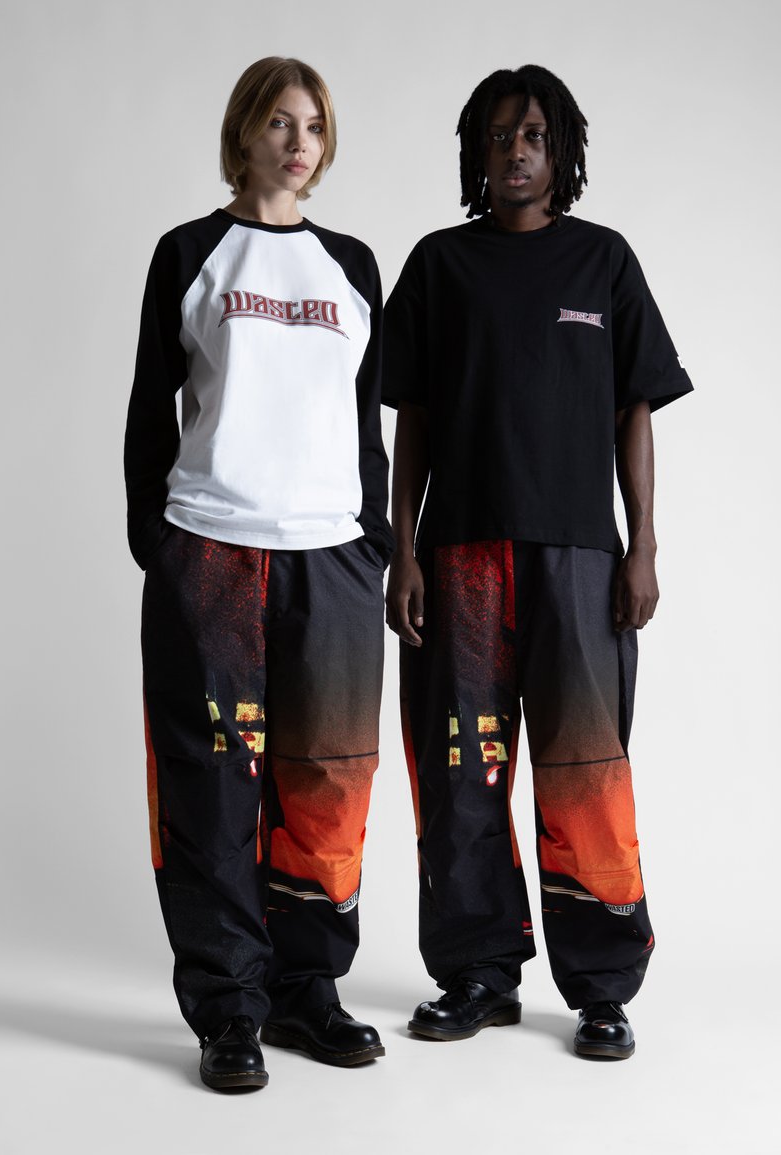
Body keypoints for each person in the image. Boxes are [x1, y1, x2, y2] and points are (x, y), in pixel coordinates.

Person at [382, 64, 692, 1060]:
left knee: (585, 773)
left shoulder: (603, 262)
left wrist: (642, 546)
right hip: (459, 557)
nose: (515, 152)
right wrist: (402, 550)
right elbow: (412, 420)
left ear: (561, 152)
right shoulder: (439, 264)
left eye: (533, 136)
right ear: (475, 150)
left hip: (578, 562)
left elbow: (634, 410)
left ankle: (601, 988)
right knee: (459, 772)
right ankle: (477, 972)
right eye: (498, 135)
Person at [125, 56, 392, 1091]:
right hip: (211, 550)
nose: (297, 143)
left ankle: (305, 989)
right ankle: (228, 1007)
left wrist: (371, 541)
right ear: (244, 132)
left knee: (327, 782)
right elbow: (151, 404)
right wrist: (159, 542)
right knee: (211, 783)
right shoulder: (190, 253)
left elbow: (364, 422)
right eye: (279, 122)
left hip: (331, 557)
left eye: (313, 127)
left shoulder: (352, 266)